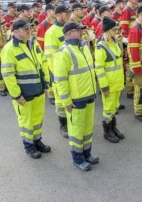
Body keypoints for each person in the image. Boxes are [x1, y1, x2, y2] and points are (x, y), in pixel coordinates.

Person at [1, 19, 51, 159]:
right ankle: (29, 146)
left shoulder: (33, 43)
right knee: (26, 121)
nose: (29, 31)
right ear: (15, 32)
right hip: (24, 93)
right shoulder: (9, 49)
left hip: (38, 89)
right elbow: (8, 74)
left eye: (29, 28)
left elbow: (43, 62)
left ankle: (37, 141)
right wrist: (16, 95)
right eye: (25, 29)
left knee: (37, 118)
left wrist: (46, 83)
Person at [53, 21, 98, 171]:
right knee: (76, 131)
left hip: (89, 95)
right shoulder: (63, 52)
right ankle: (78, 159)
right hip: (76, 99)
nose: (82, 32)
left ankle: (87, 154)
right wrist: (66, 100)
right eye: (78, 30)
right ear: (70, 33)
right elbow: (60, 79)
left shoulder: (84, 47)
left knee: (87, 128)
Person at [95, 17, 125, 143]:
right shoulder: (101, 46)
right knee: (108, 108)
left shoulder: (113, 42)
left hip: (117, 82)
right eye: (114, 30)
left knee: (114, 107)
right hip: (109, 84)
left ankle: (113, 128)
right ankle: (107, 132)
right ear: (107, 31)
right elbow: (99, 69)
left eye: (117, 29)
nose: (116, 32)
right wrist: (104, 87)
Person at [44, 5, 71, 136]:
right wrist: (58, 75)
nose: (69, 15)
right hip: (59, 74)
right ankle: (63, 125)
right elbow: (50, 57)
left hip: (72, 72)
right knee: (61, 101)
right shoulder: (51, 32)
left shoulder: (70, 28)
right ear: (58, 15)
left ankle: (72, 122)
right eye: (67, 13)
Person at [121, 0, 139, 99]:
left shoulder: (134, 9)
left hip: (135, 40)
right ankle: (129, 91)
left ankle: (132, 87)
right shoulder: (126, 10)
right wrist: (129, 40)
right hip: (129, 42)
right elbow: (124, 28)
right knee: (129, 65)